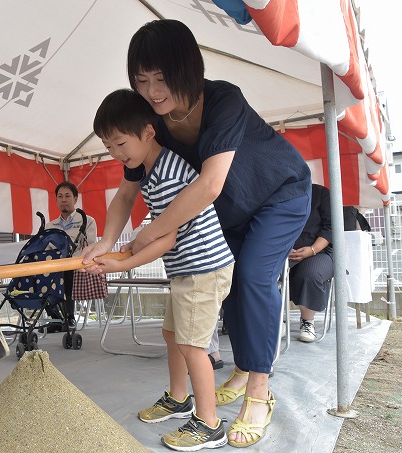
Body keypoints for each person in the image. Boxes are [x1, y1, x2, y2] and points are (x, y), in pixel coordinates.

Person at [83, 20, 311, 448]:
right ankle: (243, 369)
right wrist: (107, 242)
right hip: (232, 211)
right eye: (141, 79)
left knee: (253, 277)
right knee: (234, 287)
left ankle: (259, 393)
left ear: (187, 68)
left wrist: (145, 237)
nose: (152, 91)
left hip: (280, 195)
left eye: (162, 78)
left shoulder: (224, 99)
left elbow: (208, 186)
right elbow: (126, 191)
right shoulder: (151, 120)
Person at [92, 88, 235, 451]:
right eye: (109, 147)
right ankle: (178, 398)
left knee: (191, 344)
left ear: (148, 132)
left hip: (203, 268)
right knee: (173, 336)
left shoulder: (168, 173)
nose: (116, 154)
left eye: (120, 144)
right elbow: (130, 206)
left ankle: (209, 422)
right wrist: (111, 246)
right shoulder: (148, 171)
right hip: (186, 270)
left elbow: (165, 239)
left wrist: (123, 264)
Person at [43, 181, 98, 331]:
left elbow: (91, 246)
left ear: (75, 199)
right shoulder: (50, 226)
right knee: (38, 274)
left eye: (67, 196)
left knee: (65, 272)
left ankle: (69, 317)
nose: (63, 199)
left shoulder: (87, 221)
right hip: (55, 265)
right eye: (60, 196)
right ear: (56, 200)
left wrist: (71, 260)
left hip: (77, 265)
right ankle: (56, 318)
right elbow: (45, 249)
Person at [289, 184, 333, 343]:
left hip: (320, 251)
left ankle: (307, 321)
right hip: (284, 250)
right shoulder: (278, 193)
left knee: (309, 274)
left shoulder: (321, 193)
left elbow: (330, 227)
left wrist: (312, 250)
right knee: (265, 274)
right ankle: (275, 320)